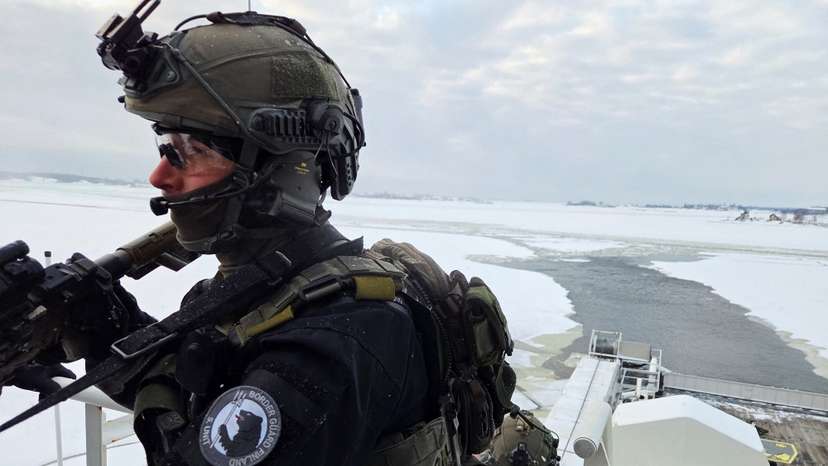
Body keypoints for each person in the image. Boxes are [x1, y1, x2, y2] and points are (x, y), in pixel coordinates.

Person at [6, 7, 521, 466]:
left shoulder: (337, 338)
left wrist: (137, 366)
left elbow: (192, 433)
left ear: (279, 169)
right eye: (165, 145)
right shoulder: (254, 290)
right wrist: (102, 330)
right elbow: (197, 388)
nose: (159, 177)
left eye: (187, 151)